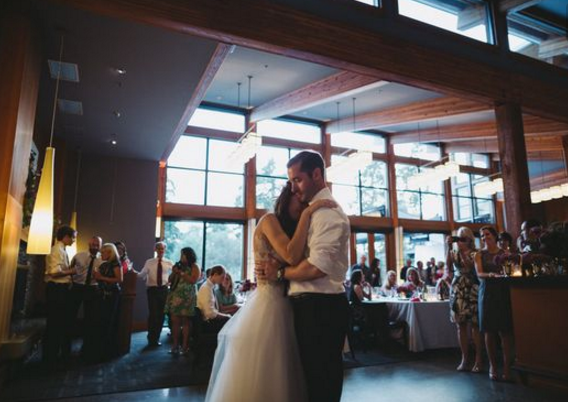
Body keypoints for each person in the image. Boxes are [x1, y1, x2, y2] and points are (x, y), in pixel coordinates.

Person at [205, 181, 335, 402]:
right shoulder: (269, 220)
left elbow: (303, 262)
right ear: (286, 198)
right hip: (269, 306)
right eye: (300, 201)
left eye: (306, 204)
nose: (303, 205)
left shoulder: (290, 230)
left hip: (289, 303)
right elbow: (291, 256)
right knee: (266, 372)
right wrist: (309, 213)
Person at [257, 150, 350, 402]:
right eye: (291, 182)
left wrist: (279, 272)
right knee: (312, 380)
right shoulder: (313, 212)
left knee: (321, 382)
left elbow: (315, 268)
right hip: (310, 305)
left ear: (317, 174)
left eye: (297, 180)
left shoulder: (328, 213)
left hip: (321, 306)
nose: (293, 187)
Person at [475, 226, 513, 382]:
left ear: (495, 236)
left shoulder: (504, 253)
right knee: (489, 331)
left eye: (487, 234)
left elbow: (510, 270)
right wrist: (490, 274)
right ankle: (492, 365)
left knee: (505, 331)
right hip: (487, 292)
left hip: (503, 292)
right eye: (482, 235)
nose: (484, 237)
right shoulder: (479, 254)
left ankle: (507, 367)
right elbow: (479, 273)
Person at [447, 227, 483, 373]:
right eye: (458, 238)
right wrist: (449, 247)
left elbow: (470, 267)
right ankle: (464, 358)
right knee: (460, 325)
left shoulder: (476, 253)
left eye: (463, 238)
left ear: (469, 239)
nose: (460, 241)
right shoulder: (454, 252)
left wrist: (463, 252)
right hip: (458, 288)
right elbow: (448, 266)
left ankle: (479, 359)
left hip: (472, 287)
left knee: (475, 325)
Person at [43, 225, 77, 365]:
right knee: (55, 324)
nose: (74, 240)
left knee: (58, 323)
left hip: (60, 290)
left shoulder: (61, 249)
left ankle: (53, 356)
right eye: (73, 237)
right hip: (56, 290)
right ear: (66, 237)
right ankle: (50, 358)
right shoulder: (57, 250)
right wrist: (71, 272)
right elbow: (53, 272)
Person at [69, 236, 102, 360]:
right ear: (89, 243)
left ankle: (86, 349)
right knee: (71, 316)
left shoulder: (102, 260)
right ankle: (67, 348)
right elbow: (69, 270)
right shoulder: (78, 256)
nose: (94, 246)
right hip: (78, 287)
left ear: (100, 246)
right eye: (93, 243)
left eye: (97, 244)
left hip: (93, 289)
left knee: (91, 319)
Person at [165, 247, 200, 355]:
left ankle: (185, 347)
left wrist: (181, 273)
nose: (181, 257)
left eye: (183, 255)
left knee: (186, 321)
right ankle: (175, 346)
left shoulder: (194, 266)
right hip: (176, 295)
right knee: (175, 320)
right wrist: (174, 272)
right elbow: (170, 280)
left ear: (189, 255)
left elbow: (193, 280)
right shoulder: (178, 266)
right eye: (181, 255)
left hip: (187, 296)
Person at [137, 242, 173, 347]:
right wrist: (132, 272)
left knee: (161, 315)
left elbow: (176, 273)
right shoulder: (149, 262)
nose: (161, 250)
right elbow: (142, 274)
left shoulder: (169, 262)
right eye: (159, 249)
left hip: (164, 290)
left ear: (165, 250)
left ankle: (156, 338)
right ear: (155, 250)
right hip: (152, 291)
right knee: (153, 314)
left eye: (162, 249)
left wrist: (172, 281)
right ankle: (151, 338)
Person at [93, 243, 123, 360]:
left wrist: (101, 278)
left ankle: (107, 351)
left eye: (103, 252)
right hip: (102, 294)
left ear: (110, 253)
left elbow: (119, 280)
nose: (101, 254)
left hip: (111, 295)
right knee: (101, 322)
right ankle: (101, 349)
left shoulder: (116, 263)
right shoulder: (105, 264)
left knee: (108, 321)